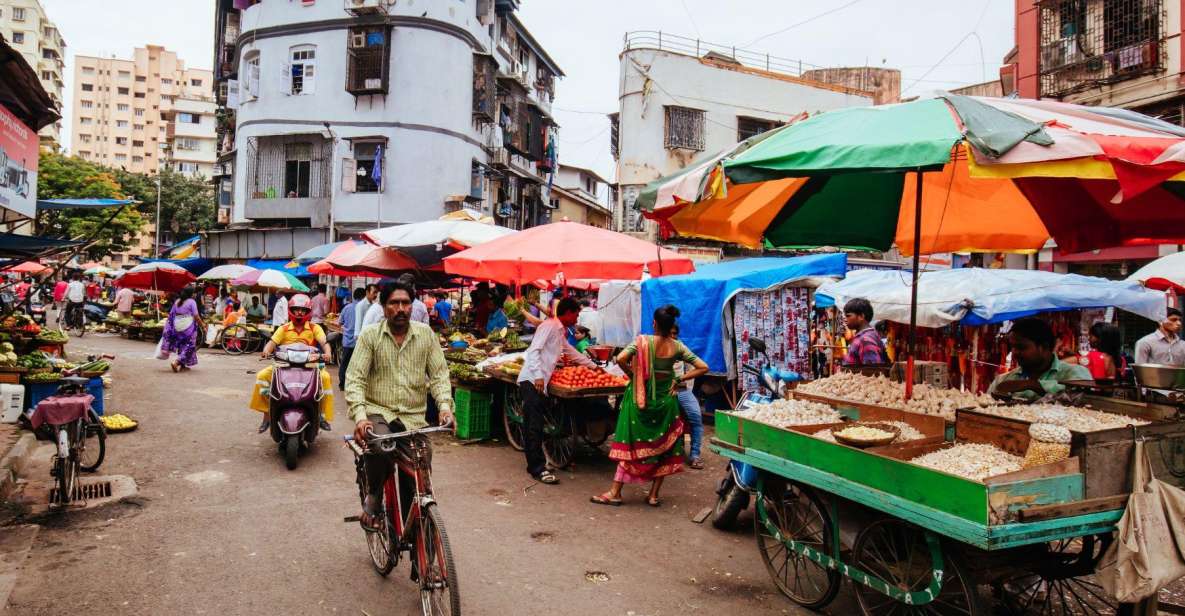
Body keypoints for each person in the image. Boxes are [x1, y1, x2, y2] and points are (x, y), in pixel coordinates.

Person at [347, 281, 453, 530]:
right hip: (378, 411)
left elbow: (438, 375)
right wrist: (361, 417)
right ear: (384, 307)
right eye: (394, 303)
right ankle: (374, 494)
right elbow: (355, 378)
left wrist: (445, 407)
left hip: (413, 417)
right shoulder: (371, 336)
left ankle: (417, 541)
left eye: (406, 303)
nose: (401, 308)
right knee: (381, 445)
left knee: (420, 468)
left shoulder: (425, 334)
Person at [591, 306, 708, 506]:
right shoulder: (677, 346)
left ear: (654, 323)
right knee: (664, 448)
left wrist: (635, 376)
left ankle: (615, 492)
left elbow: (620, 358)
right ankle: (653, 495)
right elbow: (703, 367)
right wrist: (679, 378)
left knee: (631, 445)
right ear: (671, 326)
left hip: (640, 402)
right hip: (666, 404)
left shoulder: (642, 341)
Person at [517, 297, 599, 484]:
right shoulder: (548, 326)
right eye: (576, 314)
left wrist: (592, 366)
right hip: (532, 380)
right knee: (534, 425)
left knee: (534, 423)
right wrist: (538, 375)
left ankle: (535, 463)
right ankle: (537, 468)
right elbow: (534, 350)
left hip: (539, 380)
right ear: (568, 312)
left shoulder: (559, 329)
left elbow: (569, 351)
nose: (577, 318)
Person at [251, 294, 334, 432]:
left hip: (310, 366)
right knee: (261, 376)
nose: (299, 312)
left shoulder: (314, 328)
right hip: (283, 365)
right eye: (296, 309)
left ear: (308, 311)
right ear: (291, 310)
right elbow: (271, 343)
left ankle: (321, 416)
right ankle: (267, 416)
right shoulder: (283, 328)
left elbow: (324, 343)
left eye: (303, 309)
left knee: (325, 378)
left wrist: (328, 353)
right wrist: (266, 351)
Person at [990, 317, 1093, 401]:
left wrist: (1032, 384)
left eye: (1021, 347)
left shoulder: (1074, 373)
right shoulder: (1003, 380)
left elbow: (1083, 395)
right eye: (1012, 347)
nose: (1014, 352)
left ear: (1044, 347)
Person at [670, 324, 705, 469]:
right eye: (669, 333)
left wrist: (683, 383)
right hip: (664, 392)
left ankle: (695, 455)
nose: (672, 336)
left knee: (696, 417)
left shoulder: (681, 348)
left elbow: (695, 368)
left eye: (674, 334)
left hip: (682, 390)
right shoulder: (657, 348)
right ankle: (673, 453)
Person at [162, 287, 203, 372]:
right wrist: (202, 325)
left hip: (177, 326)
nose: (195, 294)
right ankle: (177, 362)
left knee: (181, 345)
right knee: (190, 345)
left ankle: (183, 365)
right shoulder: (192, 302)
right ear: (191, 294)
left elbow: (171, 314)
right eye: (194, 293)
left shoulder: (177, 301)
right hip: (188, 327)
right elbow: (196, 316)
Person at [842, 298, 889, 367]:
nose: (845, 318)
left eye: (848, 315)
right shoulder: (865, 336)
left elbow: (872, 371)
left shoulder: (866, 339)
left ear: (861, 316)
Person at [339, 287, 364, 389]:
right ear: (363, 296)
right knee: (357, 365)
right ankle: (354, 385)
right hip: (359, 342)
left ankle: (342, 384)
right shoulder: (365, 309)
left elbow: (340, 322)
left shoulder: (347, 308)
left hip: (347, 341)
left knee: (344, 363)